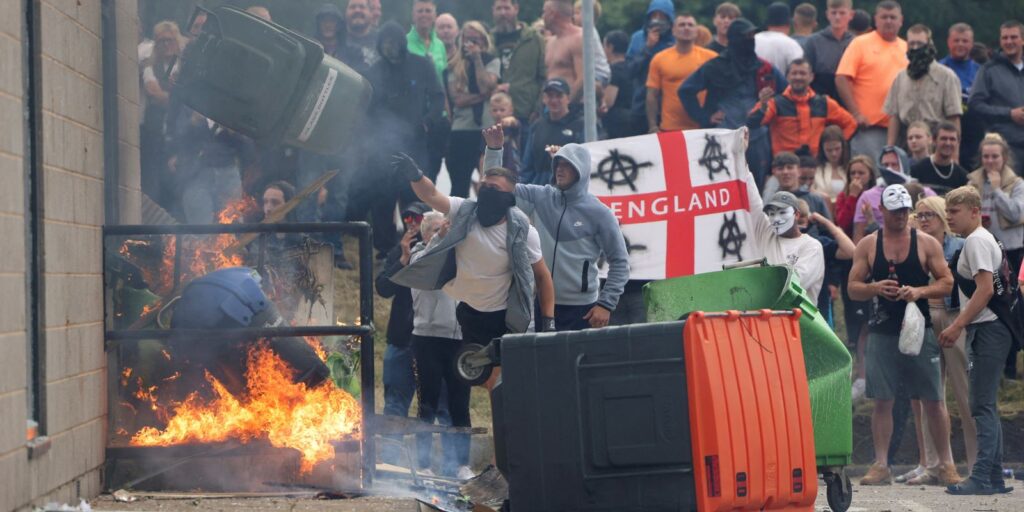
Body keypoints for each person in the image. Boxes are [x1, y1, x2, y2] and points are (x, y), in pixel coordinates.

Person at [847, 184, 959, 486]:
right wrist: (875, 288)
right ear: (881, 211)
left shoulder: (925, 243)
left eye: (903, 212)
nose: (899, 217)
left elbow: (947, 282)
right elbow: (852, 288)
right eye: (894, 212)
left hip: (918, 327)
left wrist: (920, 290)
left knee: (933, 398)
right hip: (882, 329)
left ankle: (946, 463)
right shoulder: (869, 245)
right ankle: (881, 464)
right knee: (882, 399)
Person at [390, 153, 556, 341]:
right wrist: (416, 176)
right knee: (476, 367)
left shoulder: (523, 231)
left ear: (508, 198)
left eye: (493, 188)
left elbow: (543, 276)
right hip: (468, 310)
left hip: (505, 314)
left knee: (503, 366)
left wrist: (549, 322)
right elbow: (432, 195)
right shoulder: (464, 211)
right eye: (483, 185)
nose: (486, 190)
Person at [483, 128, 630, 331]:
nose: (560, 169)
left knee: (576, 363)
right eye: (558, 164)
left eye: (567, 165)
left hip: (583, 310)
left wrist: (606, 304)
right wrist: (494, 149)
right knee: (544, 363)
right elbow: (494, 189)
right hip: (541, 303)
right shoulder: (540, 196)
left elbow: (621, 262)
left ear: (581, 171)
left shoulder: (600, 213)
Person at [940, 186, 1017, 495]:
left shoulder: (976, 241)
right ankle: (994, 477)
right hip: (992, 329)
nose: (949, 217)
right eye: (947, 211)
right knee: (987, 405)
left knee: (981, 405)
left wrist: (958, 325)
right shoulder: (983, 239)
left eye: (954, 211)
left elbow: (985, 290)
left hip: (988, 329)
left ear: (974, 211)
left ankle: (982, 476)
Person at [908, 196, 976, 484]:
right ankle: (934, 465)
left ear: (941, 217)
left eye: (930, 215)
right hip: (925, 318)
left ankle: (976, 465)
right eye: (920, 215)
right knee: (929, 395)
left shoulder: (959, 246)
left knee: (966, 394)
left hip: (954, 315)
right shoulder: (914, 246)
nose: (924, 220)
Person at [679, 18, 787, 185]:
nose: (750, 40)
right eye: (746, 36)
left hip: (756, 137)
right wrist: (704, 117)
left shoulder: (764, 68)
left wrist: (770, 108)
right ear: (735, 39)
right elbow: (685, 90)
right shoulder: (715, 67)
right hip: (723, 136)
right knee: (722, 185)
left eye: (752, 35)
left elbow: (785, 93)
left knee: (756, 188)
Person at [409, 211, 473, 480]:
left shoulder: (461, 256)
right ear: (425, 234)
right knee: (428, 403)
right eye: (434, 229)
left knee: (460, 404)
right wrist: (439, 239)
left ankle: (461, 464)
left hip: (458, 339)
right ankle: (423, 464)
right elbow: (425, 265)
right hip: (427, 337)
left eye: (444, 228)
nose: (441, 232)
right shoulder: (418, 256)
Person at [374, 202, 433, 458]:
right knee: (394, 404)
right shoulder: (400, 250)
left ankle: (424, 462)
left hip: (430, 340)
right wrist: (403, 260)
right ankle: (391, 463)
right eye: (407, 217)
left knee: (428, 406)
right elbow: (383, 288)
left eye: (416, 218)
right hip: (399, 340)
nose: (411, 223)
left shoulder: (441, 250)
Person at [967, 133, 1024, 380]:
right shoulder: (973, 182)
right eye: (986, 156)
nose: (990, 161)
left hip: (1009, 251)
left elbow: (1016, 213)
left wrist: (998, 189)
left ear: (1004, 157)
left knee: (1009, 308)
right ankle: (981, 364)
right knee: (981, 303)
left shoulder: (1016, 183)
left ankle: (1010, 366)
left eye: (995, 156)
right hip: (982, 250)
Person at [836, 0, 908, 160]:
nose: (888, 21)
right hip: (869, 128)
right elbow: (841, 78)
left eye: (892, 17)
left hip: (901, 129)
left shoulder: (907, 48)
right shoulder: (860, 43)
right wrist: (855, 113)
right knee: (869, 177)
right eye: (884, 17)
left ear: (901, 20)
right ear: (876, 20)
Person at [747, 58, 857, 158]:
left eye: (802, 73)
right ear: (787, 77)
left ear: (811, 77)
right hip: (785, 166)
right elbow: (752, 123)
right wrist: (763, 106)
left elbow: (850, 124)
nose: (798, 77)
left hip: (816, 165)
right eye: (794, 73)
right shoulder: (775, 104)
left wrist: (833, 148)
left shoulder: (824, 103)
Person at [883, 24, 963, 148]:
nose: (915, 48)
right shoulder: (900, 77)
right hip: (907, 142)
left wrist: (954, 153)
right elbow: (894, 117)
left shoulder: (947, 76)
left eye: (920, 44)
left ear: (929, 44)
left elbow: (953, 118)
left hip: (937, 143)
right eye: (911, 44)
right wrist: (889, 148)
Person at [444, 21, 500, 198]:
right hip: (462, 128)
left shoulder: (492, 61)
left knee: (491, 182)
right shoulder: (453, 65)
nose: (472, 44)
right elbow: (458, 100)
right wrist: (485, 95)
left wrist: (477, 60)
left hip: (486, 128)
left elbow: (485, 85)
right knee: (459, 184)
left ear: (483, 40)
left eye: (476, 39)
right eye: (468, 39)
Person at [744, 186, 826, 301]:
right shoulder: (766, 233)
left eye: (782, 212)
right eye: (772, 214)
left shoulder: (812, 246)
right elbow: (751, 199)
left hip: (797, 317)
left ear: (796, 215)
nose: (776, 219)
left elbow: (794, 284)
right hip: (764, 315)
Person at [968, 20, 1024, 175]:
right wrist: (1009, 114)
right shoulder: (989, 70)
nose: (1009, 42)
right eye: (1005, 38)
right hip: (1006, 149)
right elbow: (975, 105)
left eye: (1013, 37)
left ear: (1022, 40)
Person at [645, 14, 718, 133]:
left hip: (703, 127)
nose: (686, 28)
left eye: (690, 25)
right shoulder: (659, 58)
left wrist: (720, 112)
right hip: (670, 128)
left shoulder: (711, 58)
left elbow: (724, 89)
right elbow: (652, 95)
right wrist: (653, 126)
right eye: (682, 25)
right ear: (673, 30)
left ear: (696, 31)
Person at [140, 20, 182, 212]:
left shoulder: (184, 65)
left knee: (177, 185)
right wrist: (173, 97)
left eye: (170, 40)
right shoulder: (150, 65)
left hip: (179, 135)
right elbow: (154, 93)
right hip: (155, 133)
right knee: (152, 184)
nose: (166, 45)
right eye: (162, 41)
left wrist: (173, 99)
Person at [492, 0, 547, 125]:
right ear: (493, 11)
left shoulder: (533, 38)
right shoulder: (488, 40)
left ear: (516, 9)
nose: (502, 13)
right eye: (499, 9)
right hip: (495, 115)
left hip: (526, 113)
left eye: (506, 8)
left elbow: (544, 76)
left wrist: (538, 108)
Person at [521, 78, 584, 185]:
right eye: (550, 96)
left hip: (569, 192)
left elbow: (585, 163)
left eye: (559, 96)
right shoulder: (537, 126)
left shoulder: (580, 126)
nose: (554, 100)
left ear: (568, 98)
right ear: (544, 99)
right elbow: (527, 166)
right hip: (539, 190)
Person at [626, 0, 676, 135]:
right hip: (641, 105)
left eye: (662, 16)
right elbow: (630, 71)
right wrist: (647, 47)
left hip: (669, 108)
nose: (657, 20)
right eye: (654, 16)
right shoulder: (638, 38)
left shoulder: (676, 40)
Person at [940, 24, 984, 170]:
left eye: (964, 41)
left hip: (973, 135)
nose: (960, 44)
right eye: (956, 40)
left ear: (971, 43)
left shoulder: (981, 71)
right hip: (946, 132)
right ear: (949, 42)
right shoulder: (940, 69)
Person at [802, 0, 854, 103]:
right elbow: (806, 73)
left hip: (848, 100)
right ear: (827, 14)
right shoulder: (813, 42)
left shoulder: (856, 42)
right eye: (834, 13)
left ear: (851, 15)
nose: (837, 17)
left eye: (842, 13)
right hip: (819, 100)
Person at [910, 122, 969, 194]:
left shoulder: (963, 176)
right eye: (943, 139)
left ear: (958, 142)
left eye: (952, 139)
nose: (948, 143)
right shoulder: (916, 170)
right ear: (934, 141)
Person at [543, 0, 585, 101]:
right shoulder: (550, 42)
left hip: (572, 106)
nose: (542, 16)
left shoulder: (578, 38)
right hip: (551, 107)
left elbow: (583, 78)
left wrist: (567, 103)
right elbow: (548, 75)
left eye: (544, 12)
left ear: (552, 14)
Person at [602, 30, 634, 139]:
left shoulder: (614, 71)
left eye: (604, 46)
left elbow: (608, 101)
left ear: (610, 47)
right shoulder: (633, 66)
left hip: (617, 124)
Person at [755, 2, 804, 73]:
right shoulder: (792, 45)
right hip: (783, 83)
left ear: (767, 24)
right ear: (789, 24)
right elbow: (798, 72)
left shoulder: (753, 40)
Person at [572, 0, 611, 87]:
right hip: (597, 71)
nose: (573, 16)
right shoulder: (587, 31)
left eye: (577, 13)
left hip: (599, 72)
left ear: (589, 15)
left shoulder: (587, 32)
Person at [408, 0, 448, 81]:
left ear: (435, 16)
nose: (424, 14)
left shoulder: (440, 45)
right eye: (420, 11)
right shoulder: (404, 42)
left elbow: (444, 78)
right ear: (413, 16)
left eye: (428, 11)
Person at [816, 125, 851, 203]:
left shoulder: (851, 168)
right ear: (822, 149)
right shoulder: (816, 170)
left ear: (843, 147)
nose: (834, 154)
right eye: (829, 150)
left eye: (837, 149)